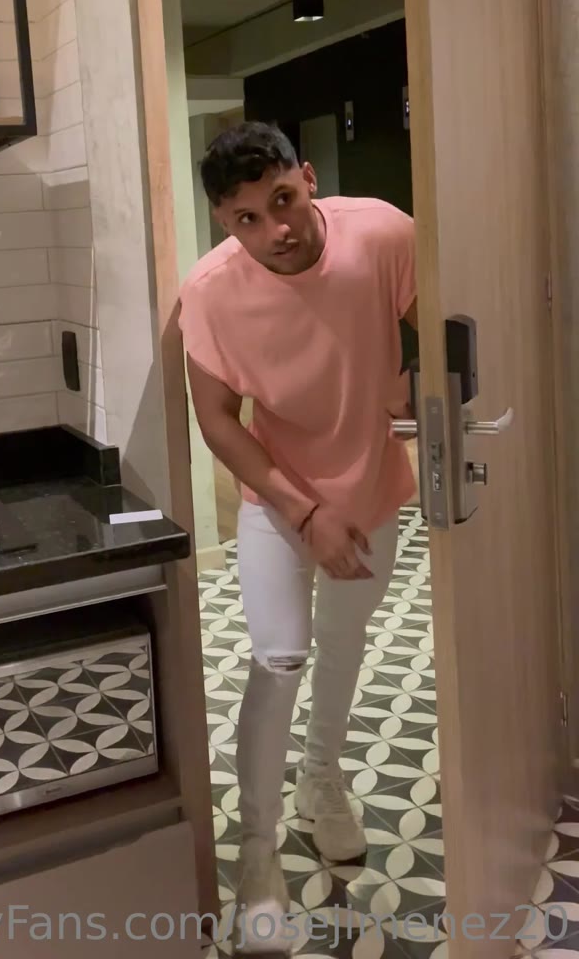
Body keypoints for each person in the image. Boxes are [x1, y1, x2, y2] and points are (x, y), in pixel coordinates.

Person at [178, 121, 418, 954]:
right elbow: (217, 418)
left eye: (282, 200)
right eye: (246, 217)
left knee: (347, 646)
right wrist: (304, 514)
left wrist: (416, 396)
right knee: (280, 657)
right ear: (224, 221)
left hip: (372, 488)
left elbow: (449, 330)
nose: (274, 229)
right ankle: (259, 852)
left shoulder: (382, 234)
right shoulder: (211, 291)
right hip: (279, 499)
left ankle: (324, 780)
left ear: (307, 177)